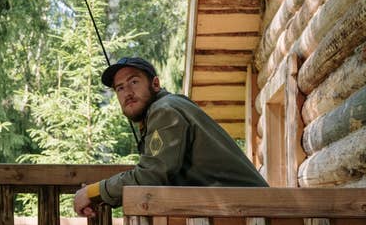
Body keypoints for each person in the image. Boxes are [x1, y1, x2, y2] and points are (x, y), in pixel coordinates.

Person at [74, 57, 268, 217]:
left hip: (256, 213)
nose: (128, 93)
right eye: (120, 88)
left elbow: (150, 176)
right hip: (243, 211)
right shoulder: (169, 106)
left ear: (155, 84)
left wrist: (94, 191)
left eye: (134, 82)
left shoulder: (165, 111)